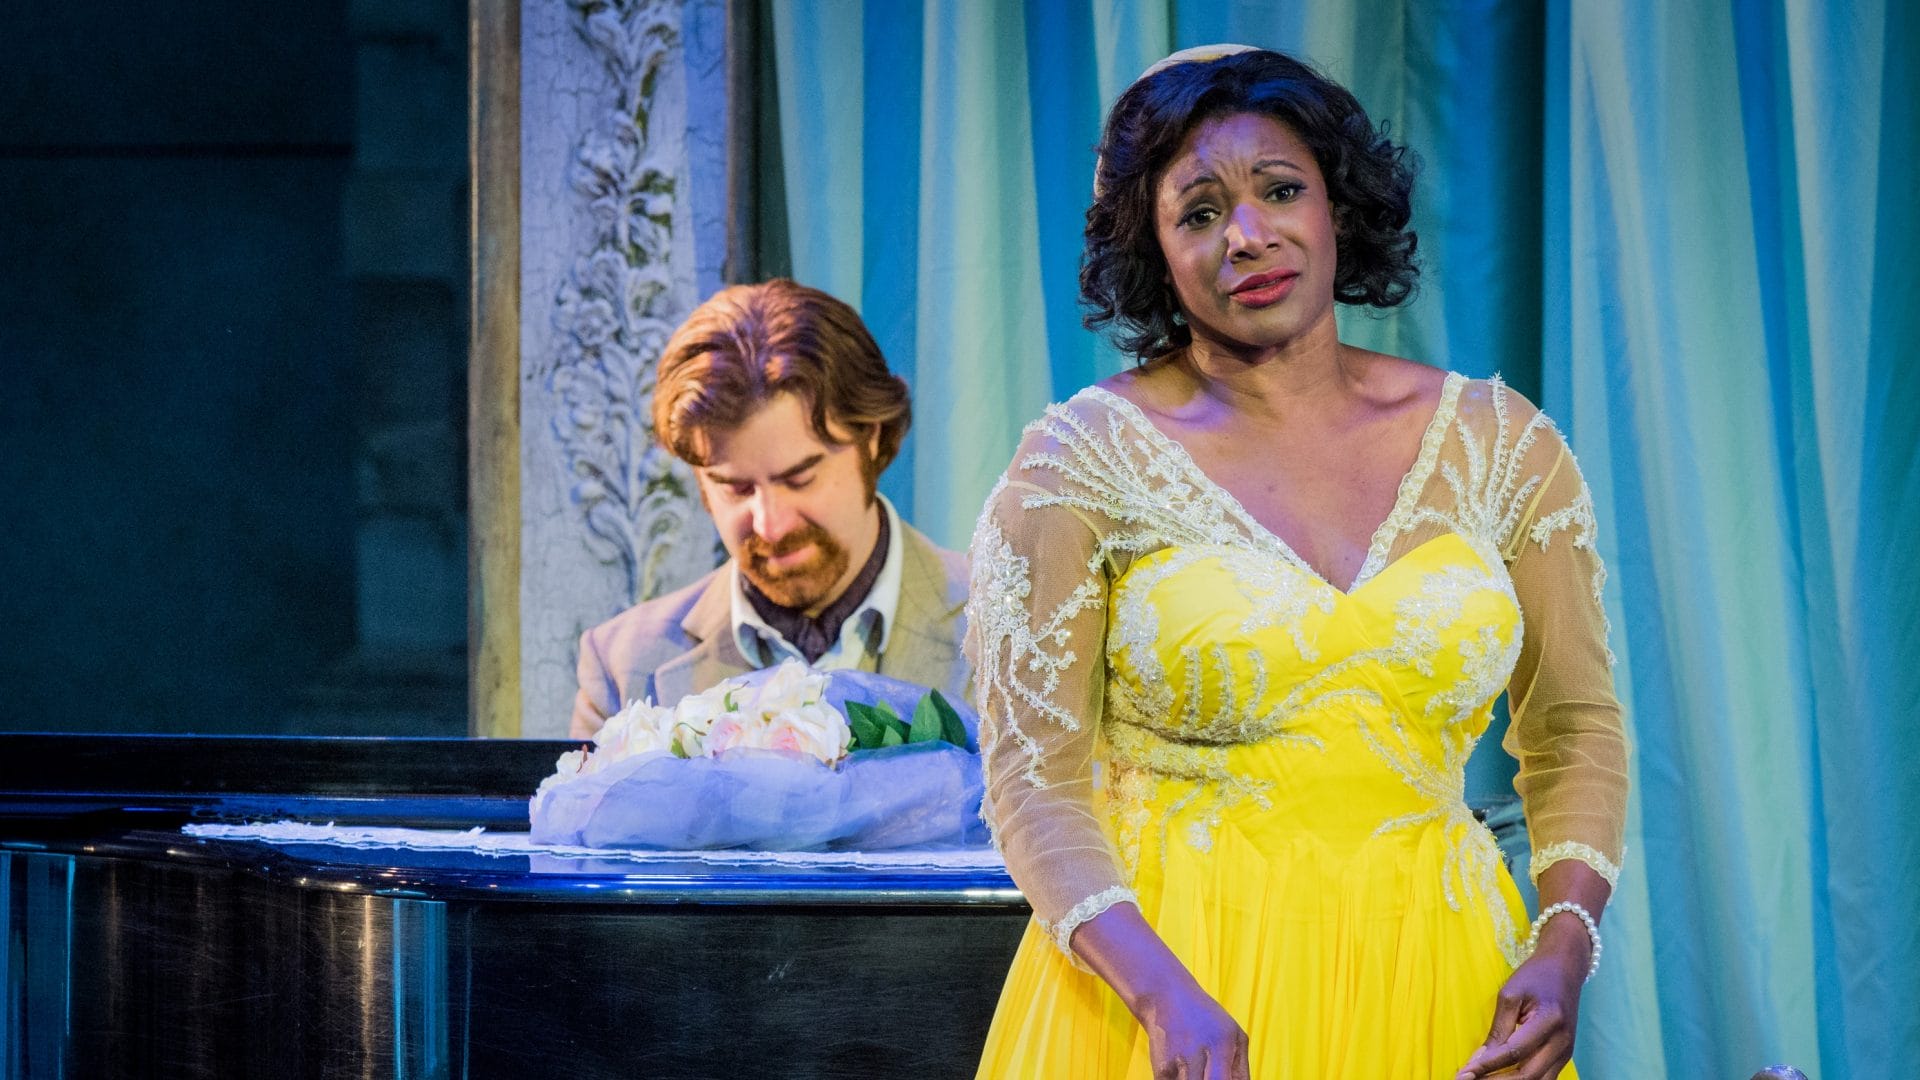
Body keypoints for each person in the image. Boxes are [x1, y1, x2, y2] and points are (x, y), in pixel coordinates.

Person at [966, 46, 1629, 1079]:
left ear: (1338, 206)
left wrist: (1564, 945)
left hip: (1439, 977)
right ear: (1153, 250)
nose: (1247, 235)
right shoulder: (1077, 465)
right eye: (1199, 213)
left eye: (1280, 190)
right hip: (1172, 996)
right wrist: (1162, 996)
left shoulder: (1502, 445)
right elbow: (1031, 780)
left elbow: (1576, 728)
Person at [571, 279, 971, 738]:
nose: (771, 525)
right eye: (735, 488)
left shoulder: (1014, 626)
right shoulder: (623, 666)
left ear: (873, 439)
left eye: (800, 478)